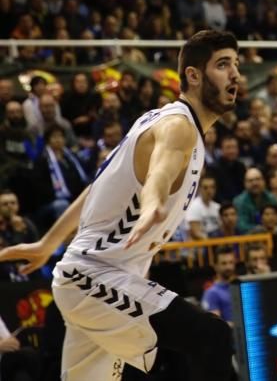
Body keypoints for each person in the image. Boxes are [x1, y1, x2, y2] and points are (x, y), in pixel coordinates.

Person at [0, 30, 241, 381]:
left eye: (236, 64)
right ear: (193, 75)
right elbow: (160, 171)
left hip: (96, 282)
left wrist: (48, 243)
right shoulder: (178, 127)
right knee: (212, 336)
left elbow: (96, 187)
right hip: (93, 280)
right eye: (223, 65)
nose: (235, 74)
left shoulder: (156, 119)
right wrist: (152, 203)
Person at [200, 249, 236, 323]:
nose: (228, 267)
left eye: (231, 262)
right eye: (224, 263)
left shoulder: (240, 286)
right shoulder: (211, 293)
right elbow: (216, 326)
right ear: (216, 266)